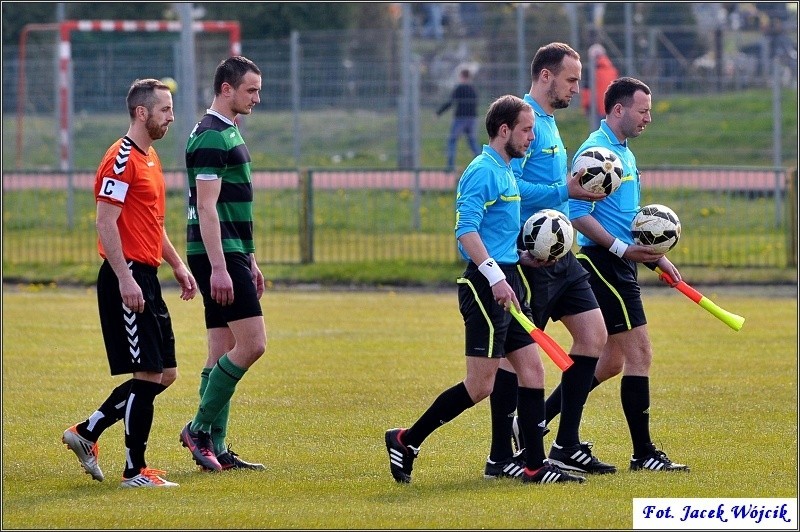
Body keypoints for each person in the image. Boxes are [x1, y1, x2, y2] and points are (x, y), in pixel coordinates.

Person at [385, 94, 586, 486]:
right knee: (480, 385)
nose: (532, 137)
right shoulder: (482, 170)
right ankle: (406, 439)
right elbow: (466, 230)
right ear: (504, 130)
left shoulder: (507, 169)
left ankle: (533, 465)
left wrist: (519, 261)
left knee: (532, 369)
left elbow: (497, 236)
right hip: (483, 286)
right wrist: (495, 275)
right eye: (526, 130)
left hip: (507, 279)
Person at [485, 42, 615, 479]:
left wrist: (572, 189)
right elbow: (513, 188)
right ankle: (501, 454)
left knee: (593, 337)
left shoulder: (550, 122)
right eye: (572, 80)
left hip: (562, 253)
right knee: (515, 359)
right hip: (530, 257)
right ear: (545, 76)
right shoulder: (524, 120)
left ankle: (566, 443)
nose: (578, 89)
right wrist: (567, 191)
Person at [62, 78, 197, 488]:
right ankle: (134, 471)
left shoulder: (150, 158)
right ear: (142, 112)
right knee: (148, 375)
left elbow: (152, 224)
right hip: (128, 277)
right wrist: (125, 279)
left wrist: (176, 264)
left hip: (148, 276)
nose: (171, 117)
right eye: (165, 110)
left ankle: (87, 432)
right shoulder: (120, 159)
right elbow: (106, 222)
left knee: (165, 373)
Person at [567, 76, 690, 472]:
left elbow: (624, 219)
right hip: (604, 264)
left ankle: (539, 424)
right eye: (643, 110)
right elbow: (577, 215)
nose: (648, 118)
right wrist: (622, 250)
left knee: (611, 362)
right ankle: (644, 454)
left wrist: (655, 258)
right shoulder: (596, 154)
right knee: (641, 354)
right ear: (618, 110)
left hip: (623, 262)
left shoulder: (623, 150)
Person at [180, 55, 267, 472]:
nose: (256, 98)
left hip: (230, 252)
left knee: (221, 351)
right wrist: (220, 266)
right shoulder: (213, 135)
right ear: (226, 89)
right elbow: (208, 208)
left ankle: (215, 446)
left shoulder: (225, 131)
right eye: (250, 90)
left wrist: (250, 259)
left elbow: (234, 205)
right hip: (218, 254)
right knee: (253, 345)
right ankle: (199, 429)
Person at [436, 68, 480, 172]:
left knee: (452, 141)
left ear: (462, 76)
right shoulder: (473, 89)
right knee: (472, 142)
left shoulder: (459, 88)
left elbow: (451, 102)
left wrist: (439, 112)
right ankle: (482, 164)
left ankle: (450, 166)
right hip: (472, 119)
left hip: (461, 119)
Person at [581, 44, 619, 130]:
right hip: (612, 108)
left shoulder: (591, 71)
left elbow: (587, 91)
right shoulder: (613, 70)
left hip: (597, 108)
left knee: (597, 135)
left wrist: (586, 106)